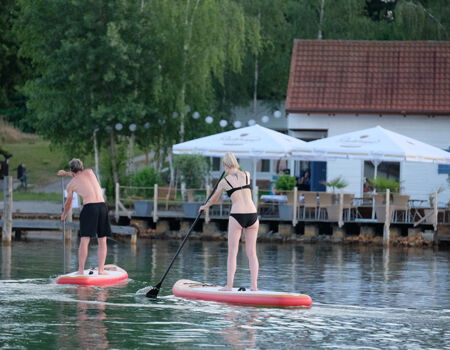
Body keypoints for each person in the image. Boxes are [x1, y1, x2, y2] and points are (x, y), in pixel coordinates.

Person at [199, 152, 259, 291]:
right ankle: (254, 287)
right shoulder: (247, 174)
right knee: (252, 252)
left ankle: (229, 286)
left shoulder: (224, 181)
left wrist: (205, 206)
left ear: (225, 165)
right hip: (252, 215)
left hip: (237, 215)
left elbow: (214, 199)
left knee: (233, 252)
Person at [58, 158, 111, 275]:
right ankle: (101, 270)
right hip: (102, 207)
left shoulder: (71, 185)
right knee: (102, 240)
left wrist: (64, 214)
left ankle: (81, 270)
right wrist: (66, 173)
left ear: (71, 169)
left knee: (84, 240)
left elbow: (68, 203)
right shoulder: (90, 172)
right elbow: (78, 173)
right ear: (82, 167)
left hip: (90, 208)